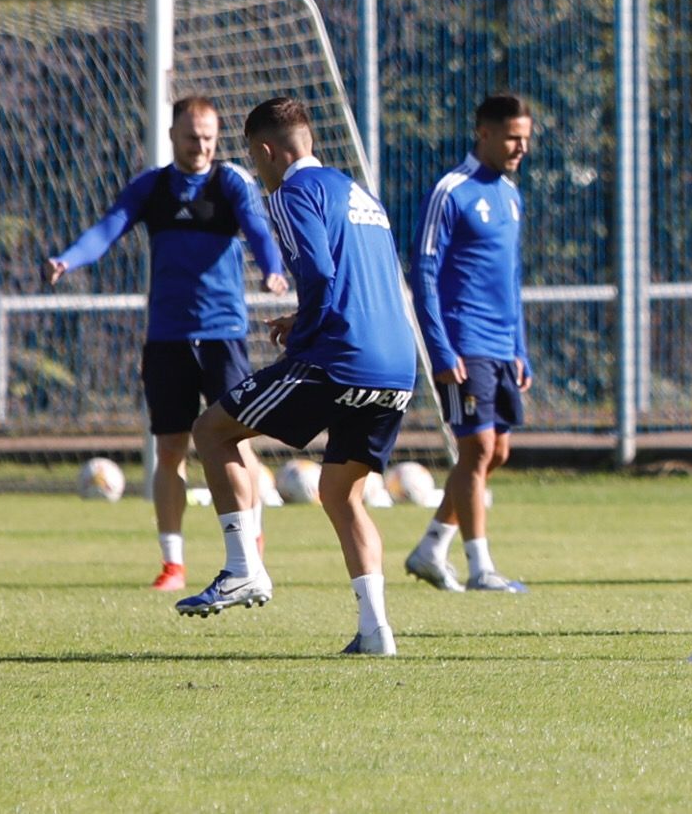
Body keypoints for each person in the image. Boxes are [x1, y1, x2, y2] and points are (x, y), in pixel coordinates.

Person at [177, 97, 417, 656]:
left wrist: (304, 331)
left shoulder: (289, 192)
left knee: (212, 430)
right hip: (397, 367)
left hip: (339, 358)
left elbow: (318, 272)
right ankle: (376, 631)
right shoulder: (360, 195)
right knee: (341, 492)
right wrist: (305, 316)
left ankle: (243, 569)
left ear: (266, 151)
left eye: (253, 157)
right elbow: (358, 279)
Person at [45, 97, 287, 591]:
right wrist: (68, 260)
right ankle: (173, 564)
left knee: (238, 444)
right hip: (168, 338)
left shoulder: (232, 183)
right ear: (173, 135)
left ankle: (251, 548)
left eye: (209, 138)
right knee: (170, 449)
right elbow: (107, 230)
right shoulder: (152, 187)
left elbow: (259, 232)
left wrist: (274, 271)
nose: (200, 146)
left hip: (224, 336)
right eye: (192, 136)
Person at [403, 94, 535, 594]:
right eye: (512, 137)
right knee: (477, 447)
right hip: (463, 342)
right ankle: (481, 568)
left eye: (525, 137)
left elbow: (512, 277)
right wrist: (439, 350)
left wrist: (520, 348)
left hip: (502, 345)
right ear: (483, 133)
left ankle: (431, 547)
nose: (521, 147)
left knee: (496, 451)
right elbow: (425, 273)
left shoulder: (510, 194)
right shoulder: (450, 191)